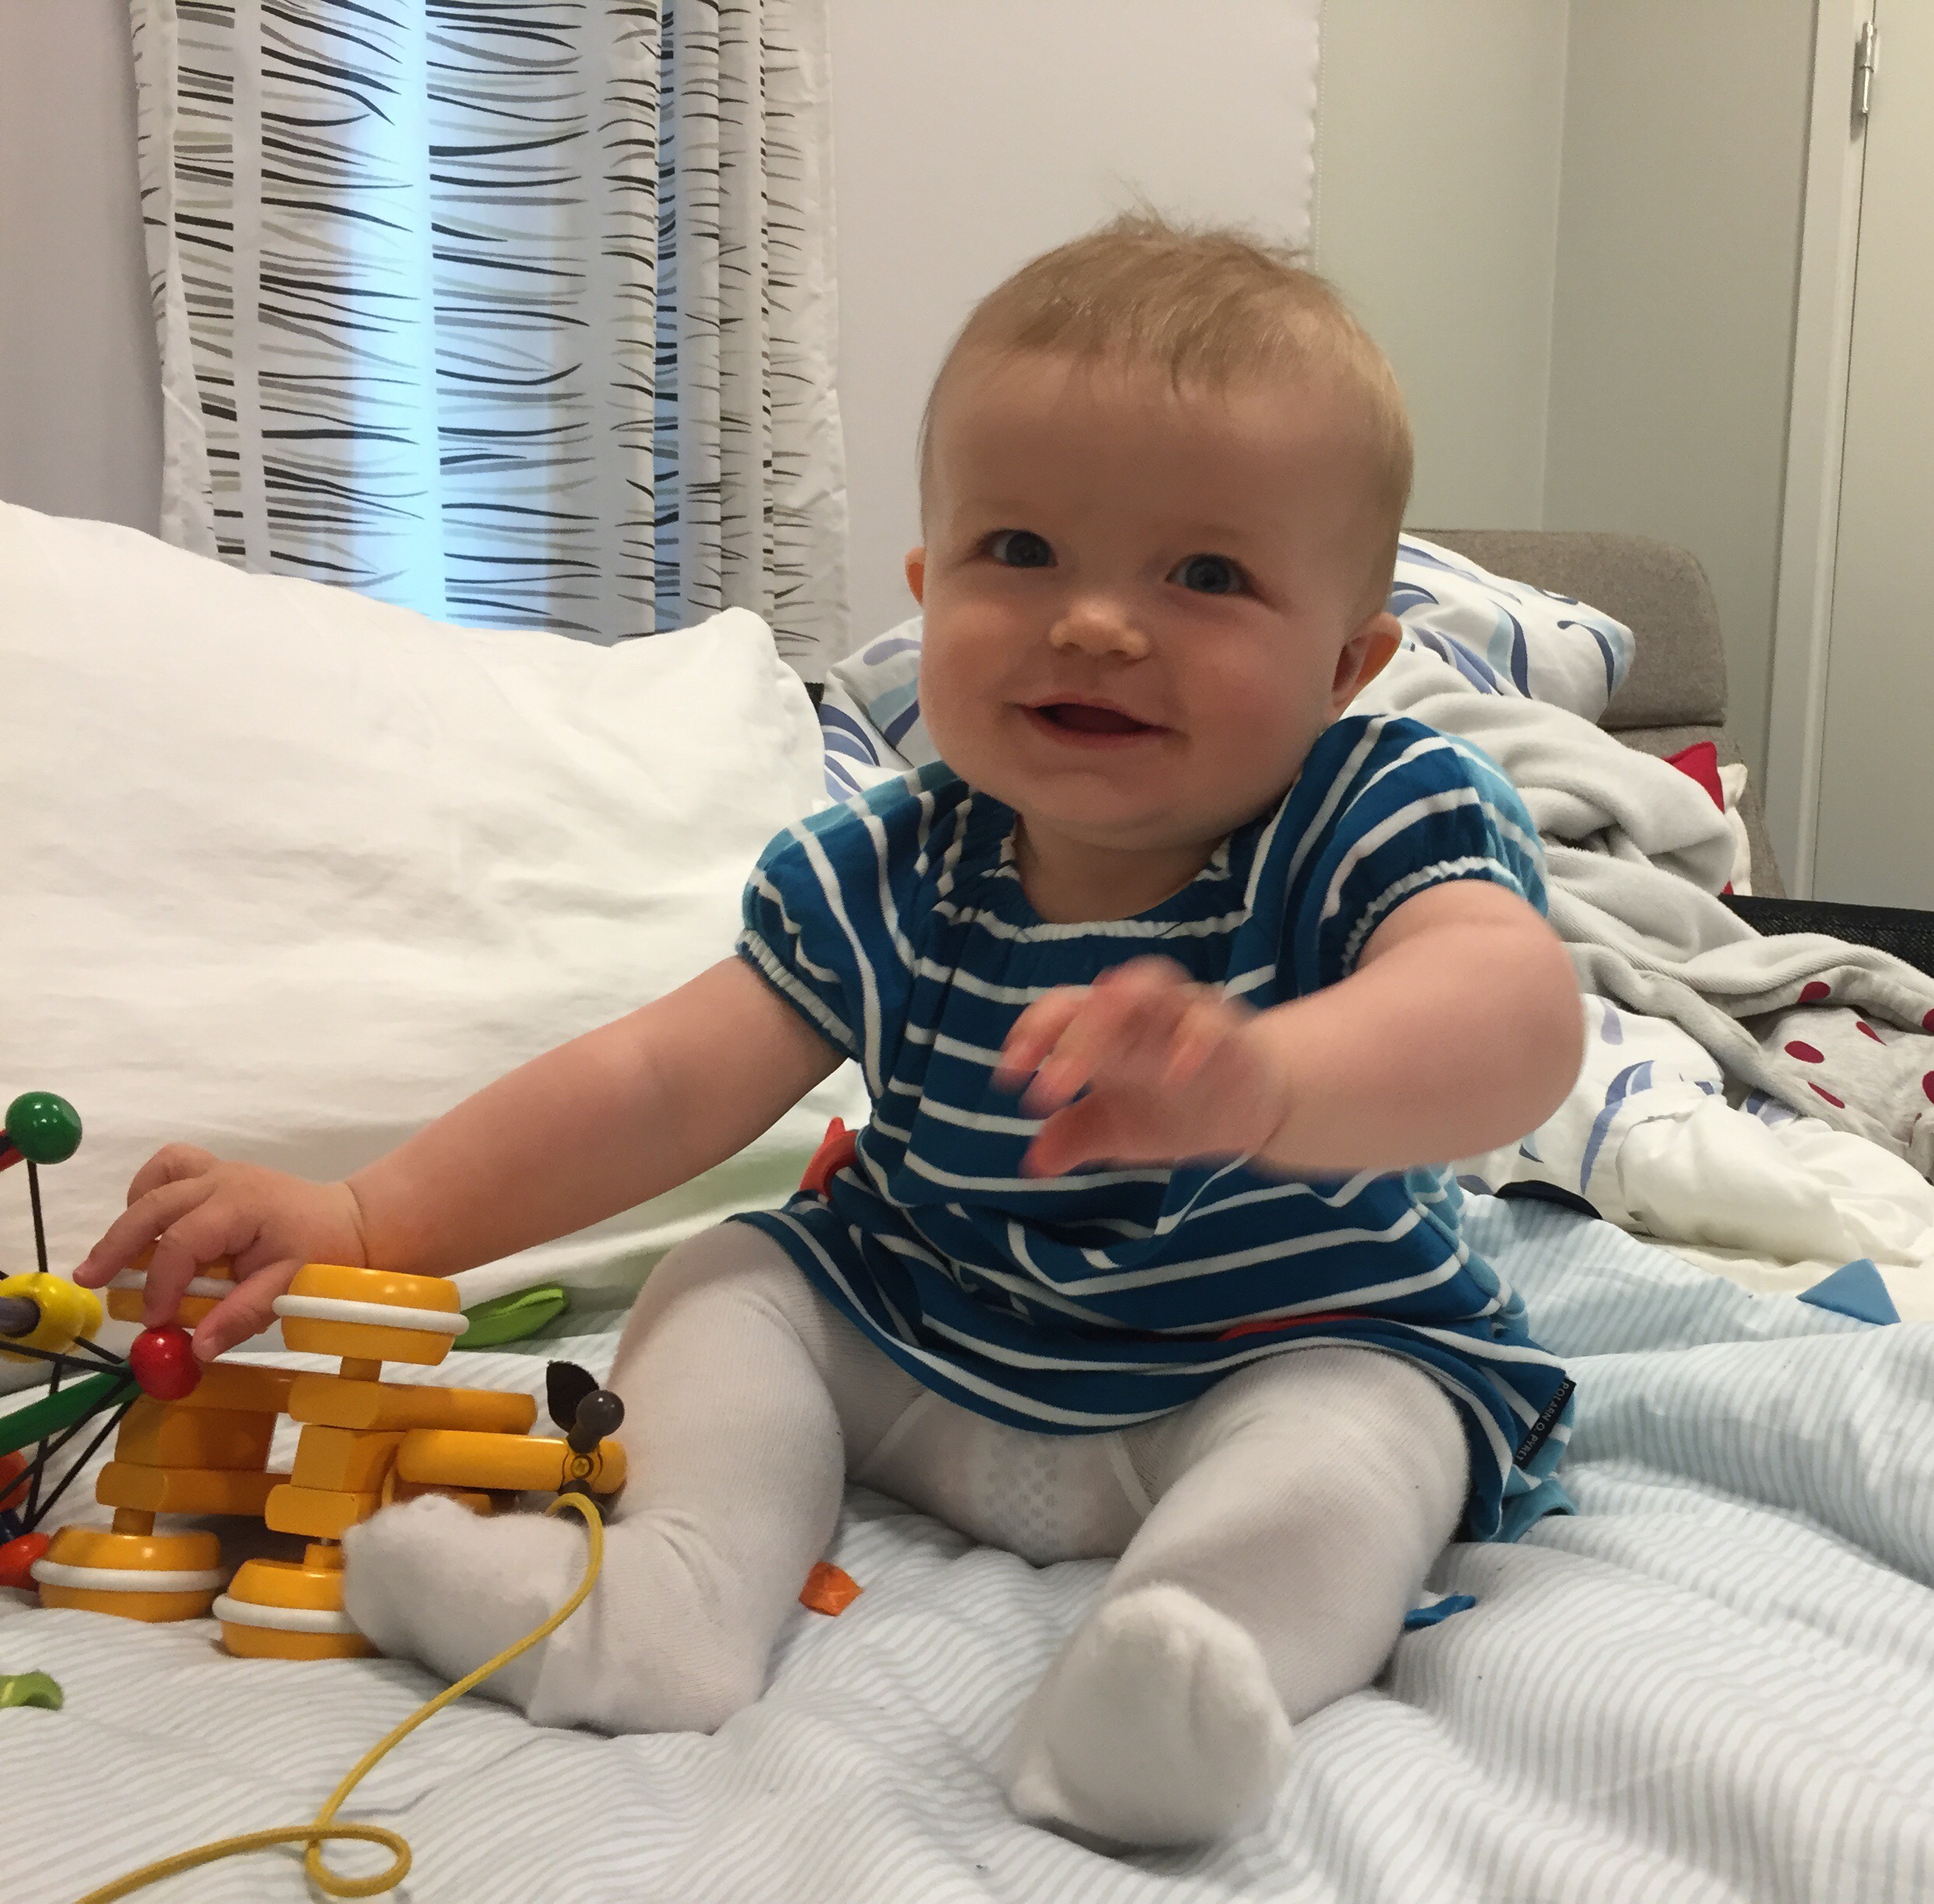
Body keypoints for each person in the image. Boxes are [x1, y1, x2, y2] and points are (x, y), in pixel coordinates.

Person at [75, 215, 1586, 1848]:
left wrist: (1271, 1076)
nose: (1094, 622)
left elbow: (1507, 1018)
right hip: (925, 1356)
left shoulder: (1371, 817)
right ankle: (668, 1601)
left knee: (1375, 1434)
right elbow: (655, 1084)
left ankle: (1181, 1675)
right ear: (928, 594)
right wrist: (368, 1219)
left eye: (1206, 576)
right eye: (1021, 550)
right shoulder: (887, 867)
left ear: (1346, 663)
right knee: (734, 1277)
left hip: (1268, 1356)